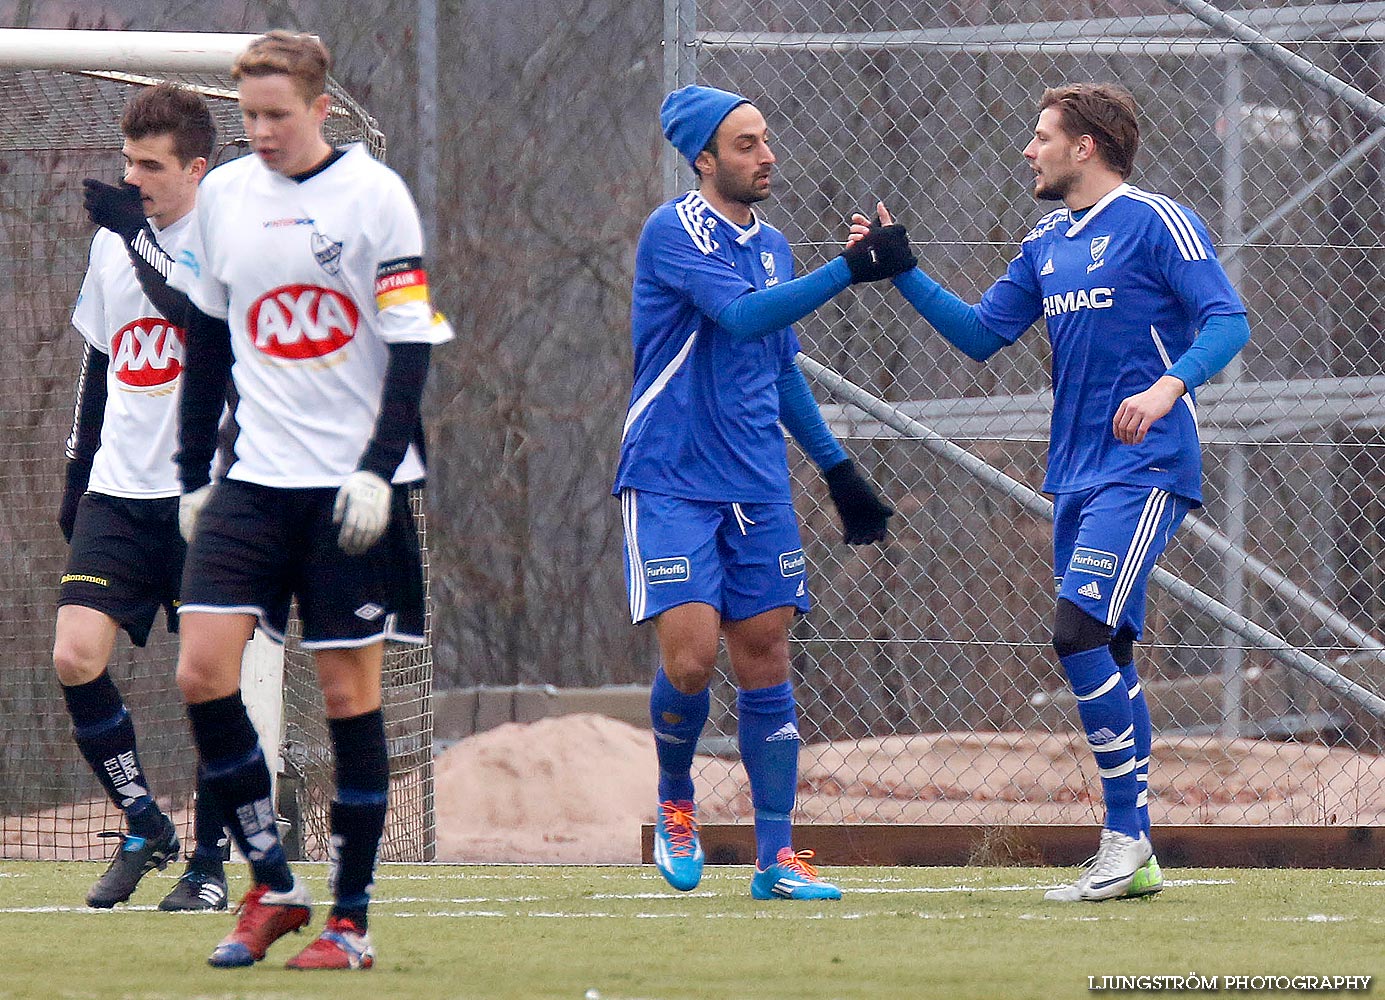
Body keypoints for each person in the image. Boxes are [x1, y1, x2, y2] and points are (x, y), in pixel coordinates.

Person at [857, 82, 1250, 901]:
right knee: (1104, 649)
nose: (1027, 151)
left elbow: (1226, 321)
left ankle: (1123, 839)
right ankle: (1133, 857)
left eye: (1041, 137)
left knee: (1075, 632)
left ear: (1087, 146)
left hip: (1143, 468)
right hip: (1072, 475)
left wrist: (1167, 388)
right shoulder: (1044, 240)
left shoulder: (1156, 220)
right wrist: (903, 271)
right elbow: (979, 335)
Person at [168, 31, 453, 970]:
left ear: (321, 109)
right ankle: (271, 885)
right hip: (251, 483)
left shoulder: (374, 198)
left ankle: (351, 922)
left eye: (277, 116)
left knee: (344, 698)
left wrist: (378, 468)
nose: (261, 133)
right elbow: (207, 340)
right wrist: (190, 473)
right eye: (248, 117)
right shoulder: (223, 198)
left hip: (349, 493)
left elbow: (409, 347)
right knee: (201, 673)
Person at [616, 84, 912, 901]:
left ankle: (775, 858)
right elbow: (742, 318)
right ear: (704, 158)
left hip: (755, 483)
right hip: (671, 477)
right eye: (745, 144)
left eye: (766, 139)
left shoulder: (775, 243)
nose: (765, 154)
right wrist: (849, 268)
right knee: (691, 655)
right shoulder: (672, 231)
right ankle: (677, 799)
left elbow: (777, 366)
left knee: (765, 655)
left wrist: (836, 469)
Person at [54, 83, 230, 912]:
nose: (134, 179)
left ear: (197, 168)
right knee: (74, 656)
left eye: (151, 166)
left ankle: (208, 864)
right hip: (119, 494)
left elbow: (196, 316)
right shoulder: (110, 245)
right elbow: (101, 361)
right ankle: (142, 823)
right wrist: (74, 472)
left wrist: (133, 237)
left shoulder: (229, 239)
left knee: (207, 682)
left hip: (207, 497)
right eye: (128, 162)